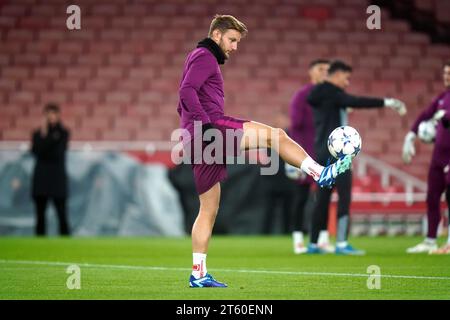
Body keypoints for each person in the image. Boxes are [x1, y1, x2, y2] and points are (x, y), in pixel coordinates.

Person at [177, 15, 352, 288]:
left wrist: (197, 130)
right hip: (209, 130)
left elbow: (185, 98)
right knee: (277, 136)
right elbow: (186, 90)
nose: (234, 47)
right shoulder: (204, 56)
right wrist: (206, 126)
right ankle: (321, 173)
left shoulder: (196, 56)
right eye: (232, 40)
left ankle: (198, 274)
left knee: (208, 210)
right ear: (217, 34)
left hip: (195, 139)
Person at [306, 60, 406, 255]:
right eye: (346, 77)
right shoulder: (332, 93)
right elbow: (357, 101)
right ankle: (342, 243)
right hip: (339, 155)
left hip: (322, 152)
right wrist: (387, 102)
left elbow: (335, 102)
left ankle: (313, 243)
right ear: (336, 75)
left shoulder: (322, 95)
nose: (347, 82)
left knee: (322, 199)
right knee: (344, 197)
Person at [286, 59, 335, 254]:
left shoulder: (332, 96)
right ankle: (298, 239)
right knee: (301, 197)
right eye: (321, 69)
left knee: (324, 197)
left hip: (325, 153)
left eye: (327, 70)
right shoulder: (302, 96)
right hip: (304, 154)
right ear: (311, 72)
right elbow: (295, 124)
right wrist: (292, 156)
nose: (325, 73)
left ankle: (322, 238)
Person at [403, 61, 450, 254]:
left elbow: (443, 118)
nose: (447, 76)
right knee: (432, 197)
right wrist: (410, 135)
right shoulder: (443, 96)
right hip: (438, 158)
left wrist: (446, 116)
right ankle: (430, 240)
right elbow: (425, 114)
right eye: (446, 73)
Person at [31, 103, 70, 236]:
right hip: (41, 177)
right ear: (45, 115)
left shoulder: (63, 133)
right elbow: (36, 151)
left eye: (54, 113)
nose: (51, 117)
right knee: (40, 214)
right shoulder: (38, 133)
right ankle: (39, 241)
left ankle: (65, 240)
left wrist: (45, 139)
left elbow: (57, 153)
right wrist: (47, 137)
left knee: (61, 212)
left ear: (58, 115)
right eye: (49, 114)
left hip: (57, 178)